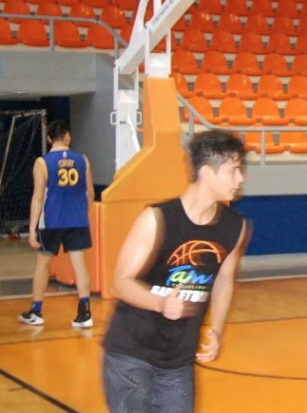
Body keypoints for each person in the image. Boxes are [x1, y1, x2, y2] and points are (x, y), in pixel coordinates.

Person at [102, 129, 250, 413]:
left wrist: (217, 329)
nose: (240, 179)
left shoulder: (234, 227)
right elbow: (121, 282)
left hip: (178, 360)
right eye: (233, 171)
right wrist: (160, 302)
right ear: (207, 173)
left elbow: (223, 281)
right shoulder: (156, 219)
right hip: (131, 352)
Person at [19, 120, 95, 328]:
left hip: (51, 220)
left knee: (42, 265)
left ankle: (36, 310)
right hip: (77, 220)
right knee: (80, 266)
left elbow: (38, 197)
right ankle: (85, 312)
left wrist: (32, 229)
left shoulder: (42, 162)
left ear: (49, 139)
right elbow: (90, 193)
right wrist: (81, 213)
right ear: (68, 136)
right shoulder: (83, 160)